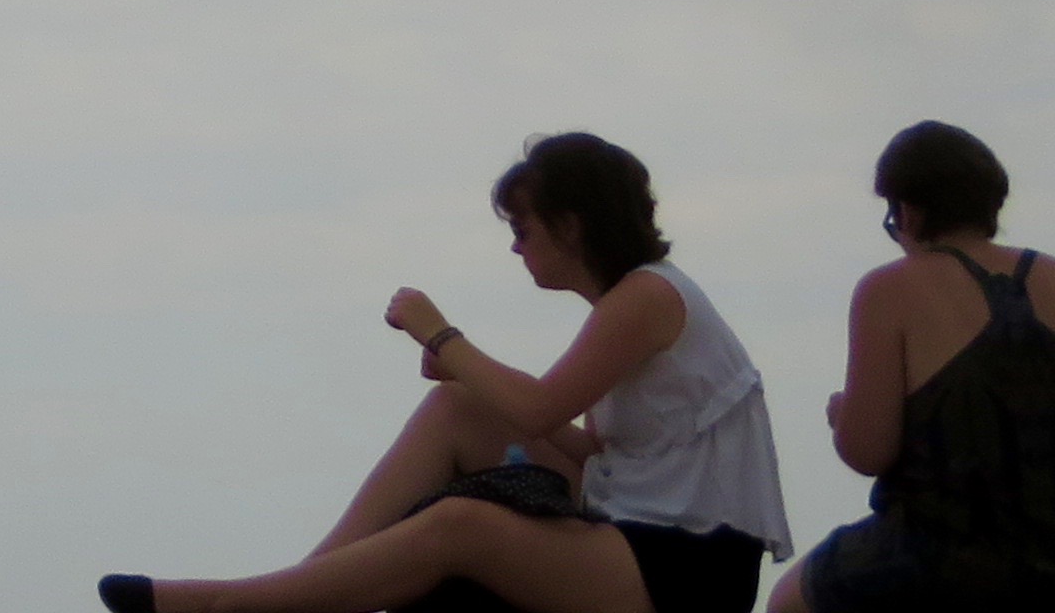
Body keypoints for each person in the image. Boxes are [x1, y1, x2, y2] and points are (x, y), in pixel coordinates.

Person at [102, 132, 791, 613]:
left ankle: (236, 605)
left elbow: (539, 410)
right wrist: (468, 379)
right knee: (458, 409)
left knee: (461, 525)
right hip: (643, 531)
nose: (515, 248)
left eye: (523, 229)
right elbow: (601, 451)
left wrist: (439, 332)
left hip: (686, 569)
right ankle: (307, 585)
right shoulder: (630, 301)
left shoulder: (648, 297)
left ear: (571, 225)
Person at [776, 121, 1055, 613]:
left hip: (938, 551)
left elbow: (869, 453)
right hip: (1047, 551)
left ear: (907, 211)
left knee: (786, 601)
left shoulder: (888, 289)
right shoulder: (1050, 275)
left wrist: (842, 417)